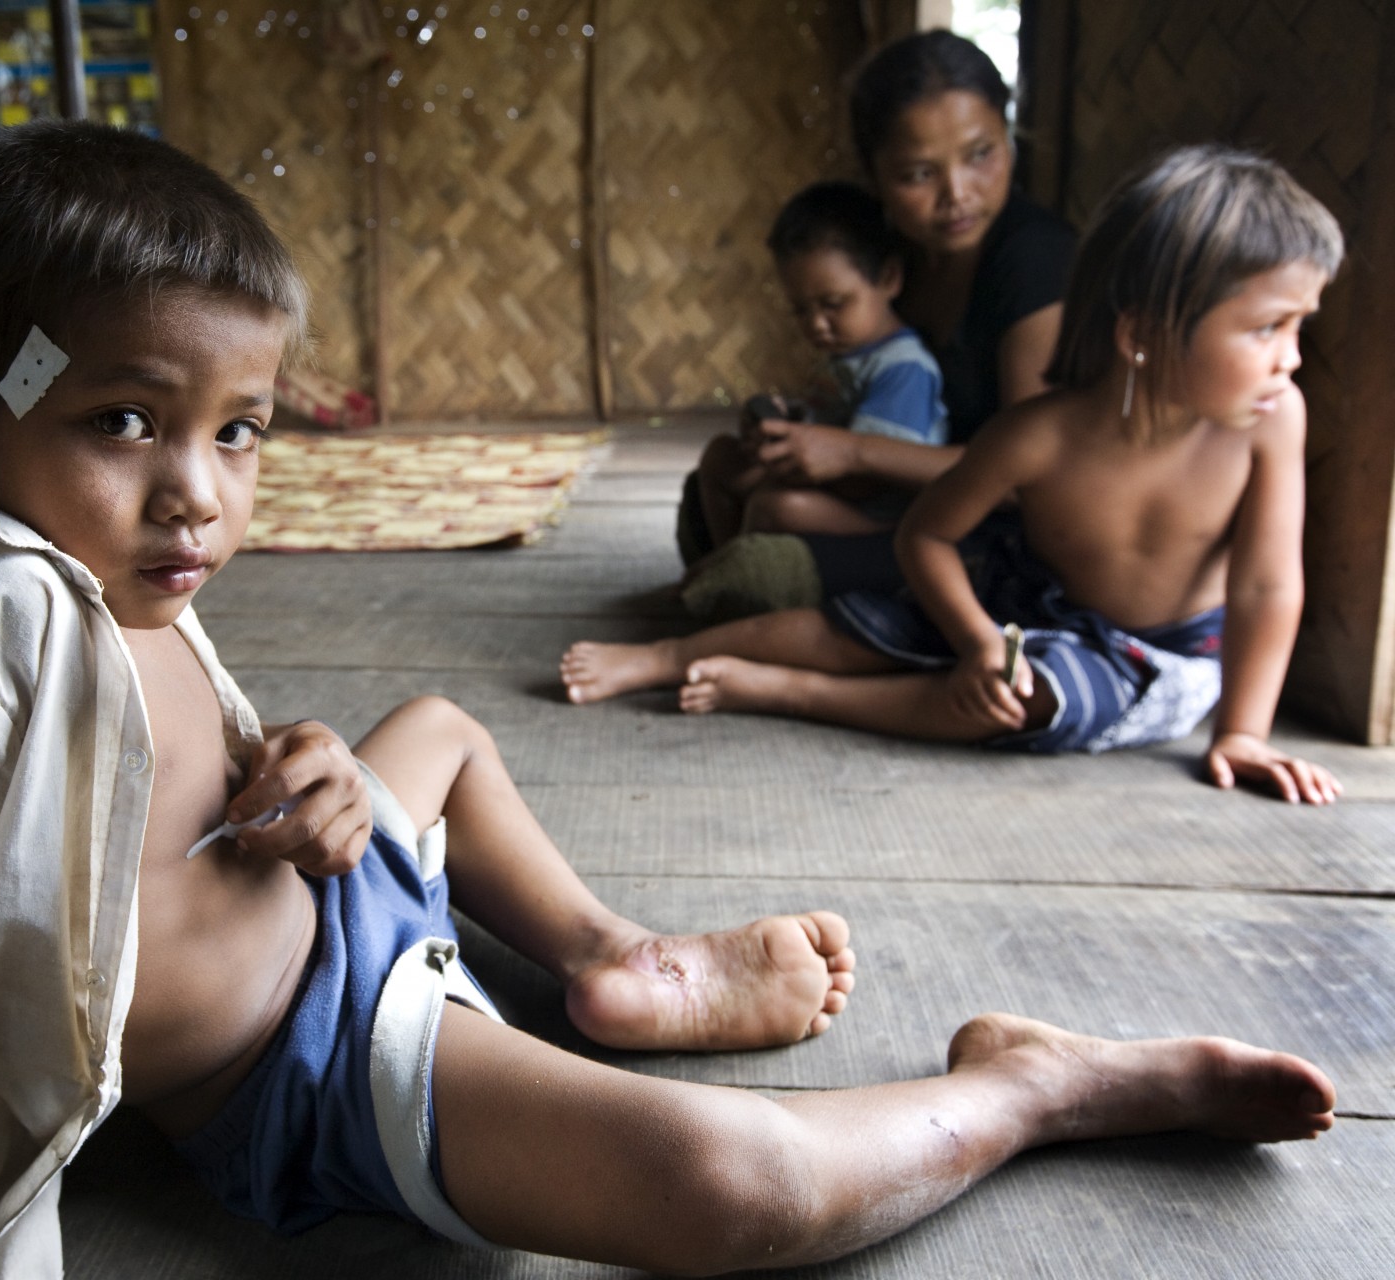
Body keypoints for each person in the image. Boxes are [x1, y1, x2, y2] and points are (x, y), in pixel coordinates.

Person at [0, 126, 1335, 1280]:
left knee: (433, 729)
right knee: (730, 1191)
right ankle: (1039, 1082)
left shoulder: (73, 580)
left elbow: (152, 781)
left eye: (238, 432)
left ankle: (607, 955)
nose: (198, 498)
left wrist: (293, 765)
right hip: (306, 1057)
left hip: (325, 919)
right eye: (121, 420)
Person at [565, 146, 1344, 807]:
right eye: (1269, 327)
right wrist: (975, 638)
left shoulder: (1275, 420)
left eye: (1298, 324)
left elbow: (1267, 588)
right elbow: (926, 535)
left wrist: (1243, 732)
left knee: (1025, 695)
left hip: (1154, 657)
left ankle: (787, 692)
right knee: (865, 627)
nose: (1292, 355)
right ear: (1143, 332)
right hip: (1019, 601)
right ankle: (669, 658)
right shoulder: (1039, 434)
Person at [680, 30, 1078, 609]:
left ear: (1008, 135)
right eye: (918, 174)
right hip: (894, 502)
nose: (957, 194)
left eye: (980, 154)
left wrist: (852, 452)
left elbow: (1029, 483)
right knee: (712, 490)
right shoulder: (895, 255)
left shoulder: (1033, 262)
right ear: (873, 175)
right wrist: (796, 428)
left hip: (990, 534)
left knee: (765, 567)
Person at [683, 182, 948, 608]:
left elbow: (870, 478)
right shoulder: (843, 356)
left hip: (884, 516)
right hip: (835, 489)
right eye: (801, 310)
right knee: (721, 457)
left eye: (833, 304)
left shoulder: (902, 368)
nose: (817, 325)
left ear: (889, 278)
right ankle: (723, 564)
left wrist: (788, 469)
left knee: (776, 507)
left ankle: (732, 578)